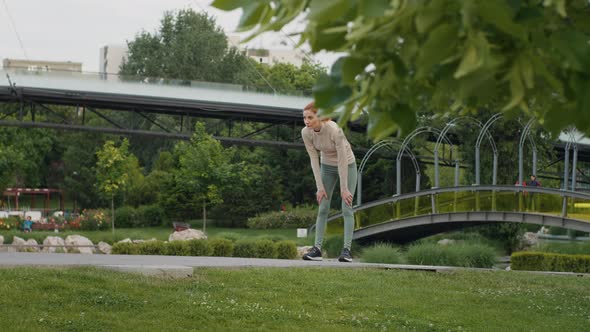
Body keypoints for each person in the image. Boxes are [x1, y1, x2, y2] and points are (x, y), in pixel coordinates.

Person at [301, 101, 357, 262]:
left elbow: (342, 160)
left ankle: (346, 251)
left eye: (310, 117)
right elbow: (314, 159)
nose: (306, 121)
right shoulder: (306, 133)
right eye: (304, 118)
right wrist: (319, 187)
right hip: (326, 166)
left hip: (347, 164)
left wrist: (344, 187)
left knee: (347, 206)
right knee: (323, 206)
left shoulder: (335, 130)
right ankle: (317, 249)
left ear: (320, 116)